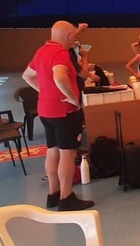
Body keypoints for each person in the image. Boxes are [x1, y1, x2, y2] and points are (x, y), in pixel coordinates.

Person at [22, 21, 94, 211]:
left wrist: (44, 91)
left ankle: (53, 194)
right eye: (74, 35)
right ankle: (66, 197)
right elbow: (60, 76)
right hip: (64, 112)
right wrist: (71, 98)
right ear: (68, 36)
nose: (75, 38)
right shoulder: (60, 53)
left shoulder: (41, 51)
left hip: (46, 111)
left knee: (52, 150)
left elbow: (27, 76)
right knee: (67, 154)